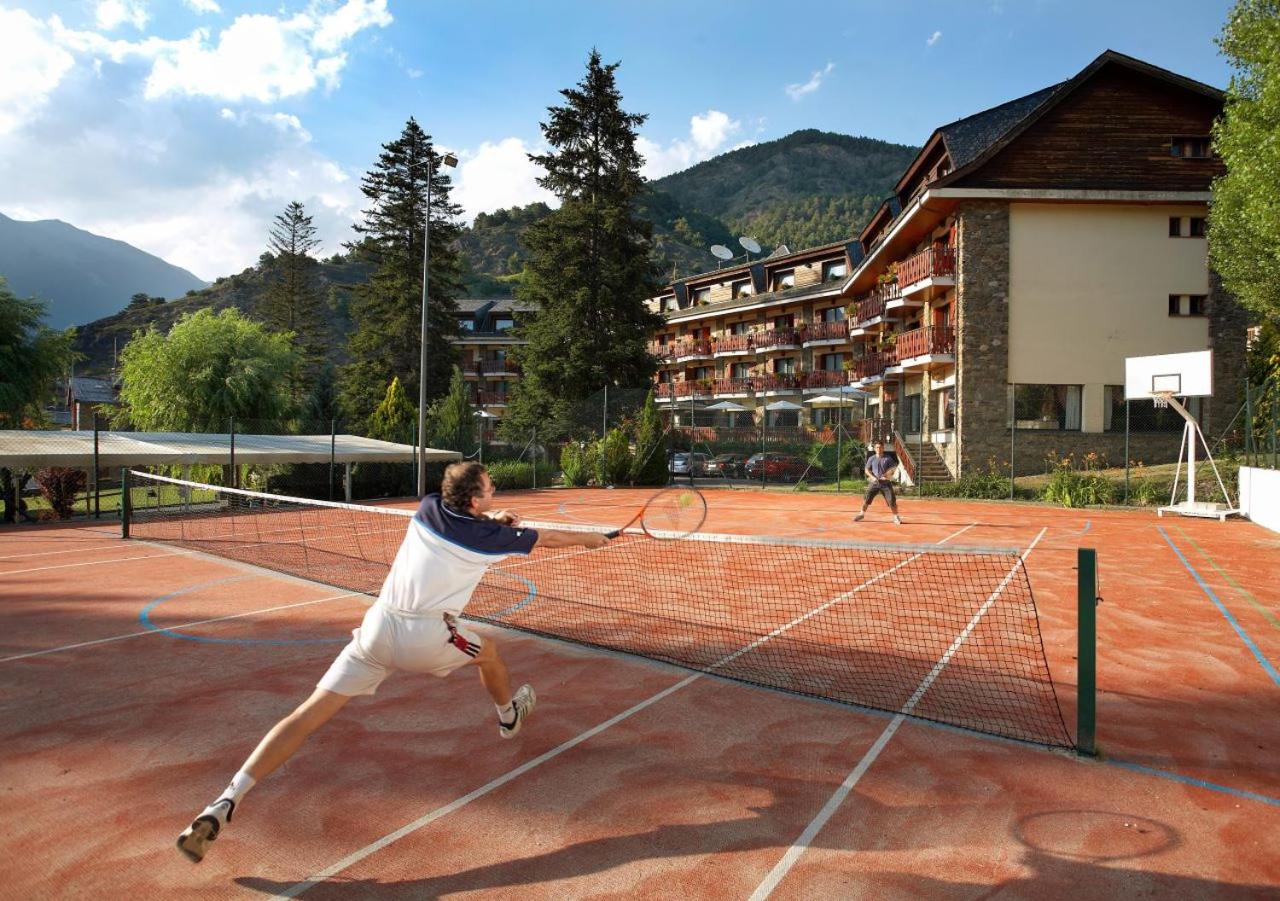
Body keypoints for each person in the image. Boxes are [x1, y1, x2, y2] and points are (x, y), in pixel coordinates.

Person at [177, 461, 610, 863]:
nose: (494, 490)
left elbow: (469, 523)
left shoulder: (429, 508)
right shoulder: (487, 539)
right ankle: (508, 716)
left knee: (306, 715)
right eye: (490, 488)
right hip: (428, 637)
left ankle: (226, 800)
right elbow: (548, 538)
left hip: (377, 629)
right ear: (475, 499)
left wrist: (494, 519)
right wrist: (590, 539)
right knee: (491, 655)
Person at [855, 440, 902, 525]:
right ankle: (861, 514)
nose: (879, 449)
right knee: (866, 498)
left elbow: (893, 469)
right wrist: (872, 477)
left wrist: (887, 476)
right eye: (877, 447)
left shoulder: (888, 458)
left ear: (883, 448)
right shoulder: (871, 458)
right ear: (874, 448)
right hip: (874, 483)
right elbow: (866, 470)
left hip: (886, 484)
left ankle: (896, 517)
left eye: (880, 447)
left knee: (892, 501)